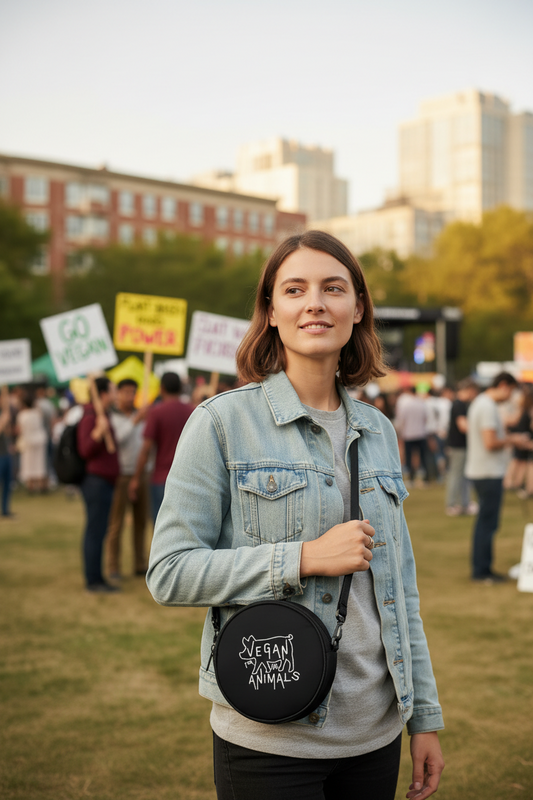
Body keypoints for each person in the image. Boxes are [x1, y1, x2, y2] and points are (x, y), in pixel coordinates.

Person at [147, 231, 444, 800]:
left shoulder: (379, 430)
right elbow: (169, 572)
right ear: (271, 311)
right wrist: (303, 558)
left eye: (334, 288)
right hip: (270, 736)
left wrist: (423, 715)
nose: (316, 302)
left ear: (357, 310)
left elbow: (401, 592)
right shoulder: (220, 424)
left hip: (375, 734)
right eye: (295, 289)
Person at [465, 372, 532, 583]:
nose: (511, 397)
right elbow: (490, 442)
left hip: (483, 471)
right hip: (488, 472)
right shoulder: (486, 406)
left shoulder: (482, 403)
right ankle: (482, 570)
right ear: (504, 385)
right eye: (511, 391)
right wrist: (513, 440)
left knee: (486, 522)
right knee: (488, 523)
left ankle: (482, 567)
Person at [129, 372, 194, 523]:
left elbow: (146, 449)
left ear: (162, 388)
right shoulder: (192, 411)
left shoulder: (156, 412)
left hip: (161, 478)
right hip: (187, 479)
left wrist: (136, 478)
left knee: (160, 527)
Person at [77, 376, 120, 593]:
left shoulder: (101, 415)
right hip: (96, 483)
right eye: (112, 391)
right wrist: (97, 433)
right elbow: (85, 449)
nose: (115, 395)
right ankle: (93, 580)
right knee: (95, 531)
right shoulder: (90, 417)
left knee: (99, 530)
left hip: (105, 483)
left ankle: (97, 576)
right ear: (102, 394)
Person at [106, 379, 148, 579]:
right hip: (122, 475)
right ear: (118, 394)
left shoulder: (141, 416)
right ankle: (113, 566)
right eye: (126, 392)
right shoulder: (112, 416)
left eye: (133, 392)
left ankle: (140, 563)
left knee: (141, 521)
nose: (130, 396)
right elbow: (117, 440)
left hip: (141, 473)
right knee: (116, 522)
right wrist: (134, 421)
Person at [445, 378, 478, 516]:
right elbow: (463, 426)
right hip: (458, 446)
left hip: (460, 446)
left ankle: (465, 503)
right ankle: (452, 504)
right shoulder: (458, 404)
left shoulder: (460, 404)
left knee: (463, 476)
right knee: (456, 475)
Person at [395, 386, 430, 486]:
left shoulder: (406, 405)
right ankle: (426, 477)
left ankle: (411, 477)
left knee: (409, 457)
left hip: (409, 434)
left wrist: (401, 431)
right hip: (421, 433)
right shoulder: (421, 404)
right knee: (423, 457)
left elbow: (402, 420)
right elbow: (425, 418)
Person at [15, 391, 48, 493]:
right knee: (40, 463)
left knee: (29, 464)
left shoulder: (22, 415)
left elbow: (19, 430)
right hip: (39, 440)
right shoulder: (37, 413)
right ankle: (42, 486)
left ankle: (31, 487)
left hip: (28, 441)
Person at [0, 386, 14, 518]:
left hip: (5, 454)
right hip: (1, 456)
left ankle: (5, 510)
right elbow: (6, 416)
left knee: (7, 485)